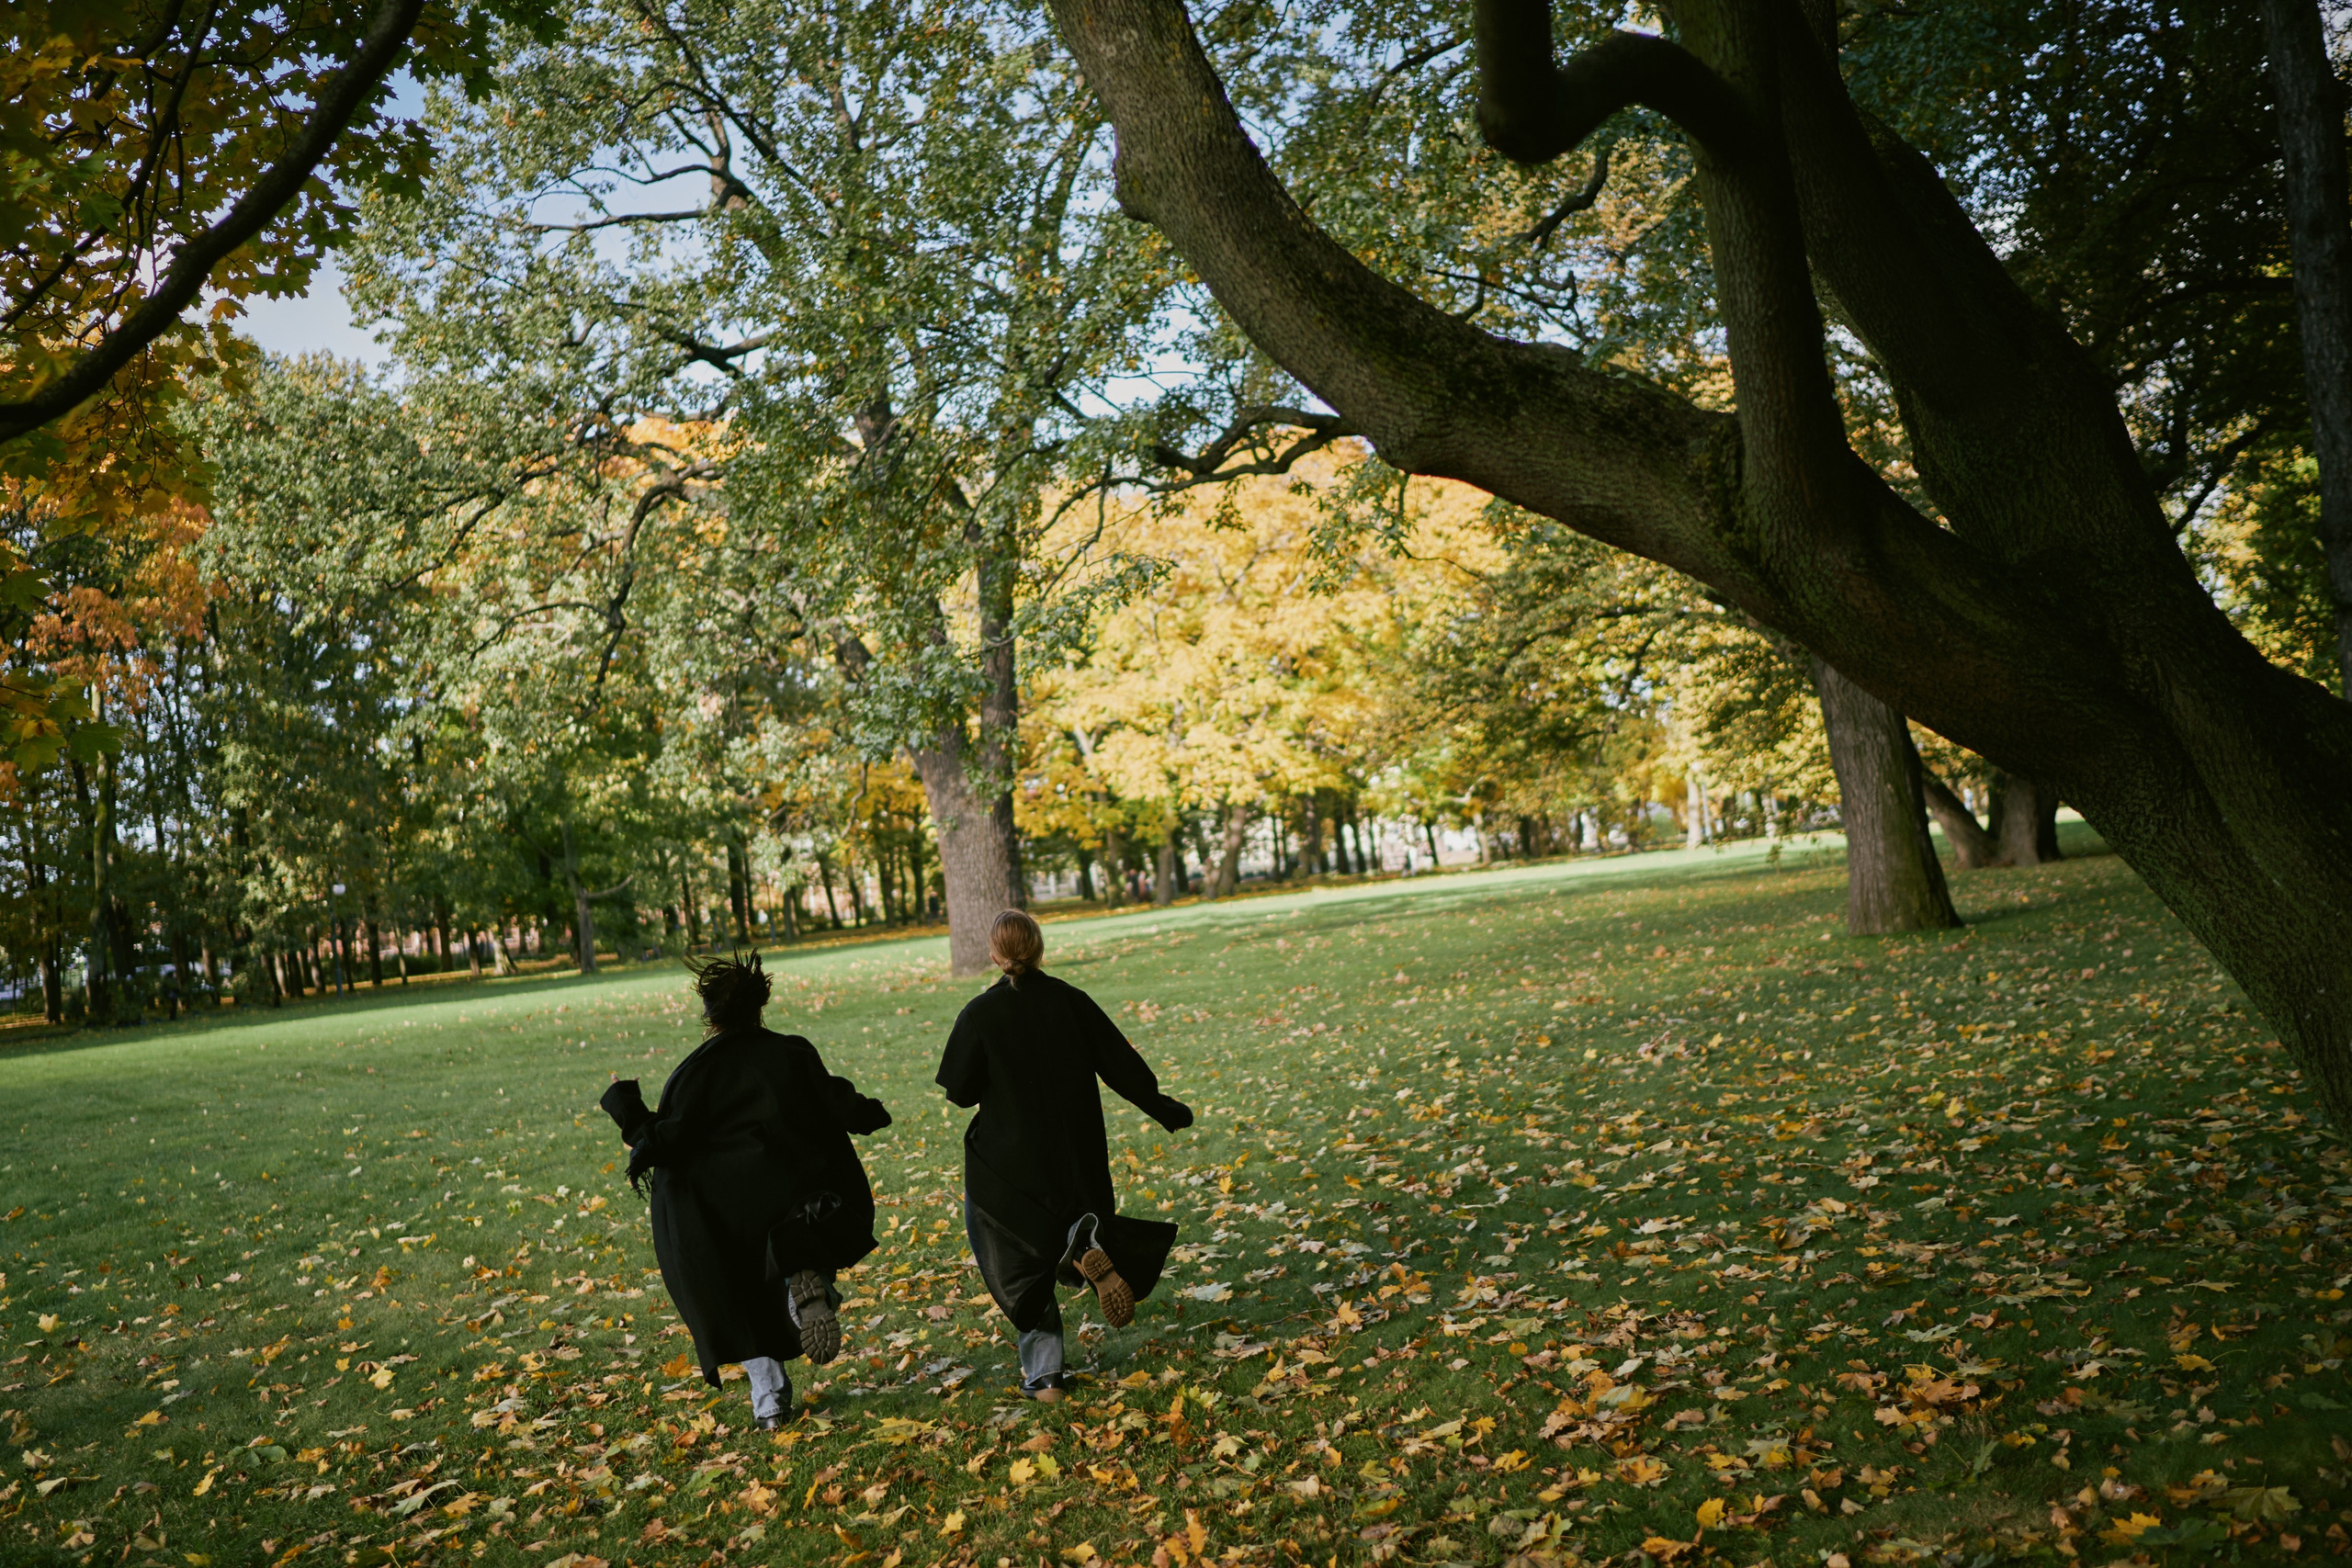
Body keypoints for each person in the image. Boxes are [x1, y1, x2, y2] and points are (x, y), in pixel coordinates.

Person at [600, 953, 889, 1429]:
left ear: (709, 1017)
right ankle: (807, 1281)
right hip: (794, 1208)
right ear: (761, 1006)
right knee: (793, 1230)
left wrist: (625, 1106)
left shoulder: (695, 1073)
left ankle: (769, 1403)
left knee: (730, 1283)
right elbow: (841, 1106)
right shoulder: (792, 1052)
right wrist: (873, 1112)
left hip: (728, 1218)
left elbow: (661, 1140)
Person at [937, 909, 1193, 1404]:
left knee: (1010, 1255)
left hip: (1008, 1168)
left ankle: (1046, 1374)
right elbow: (1122, 1065)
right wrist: (1164, 1108)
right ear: (1039, 949)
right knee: (1066, 1218)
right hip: (1076, 1161)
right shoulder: (1073, 1002)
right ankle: (1082, 1247)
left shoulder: (979, 1014)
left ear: (994, 954)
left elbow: (959, 1092)